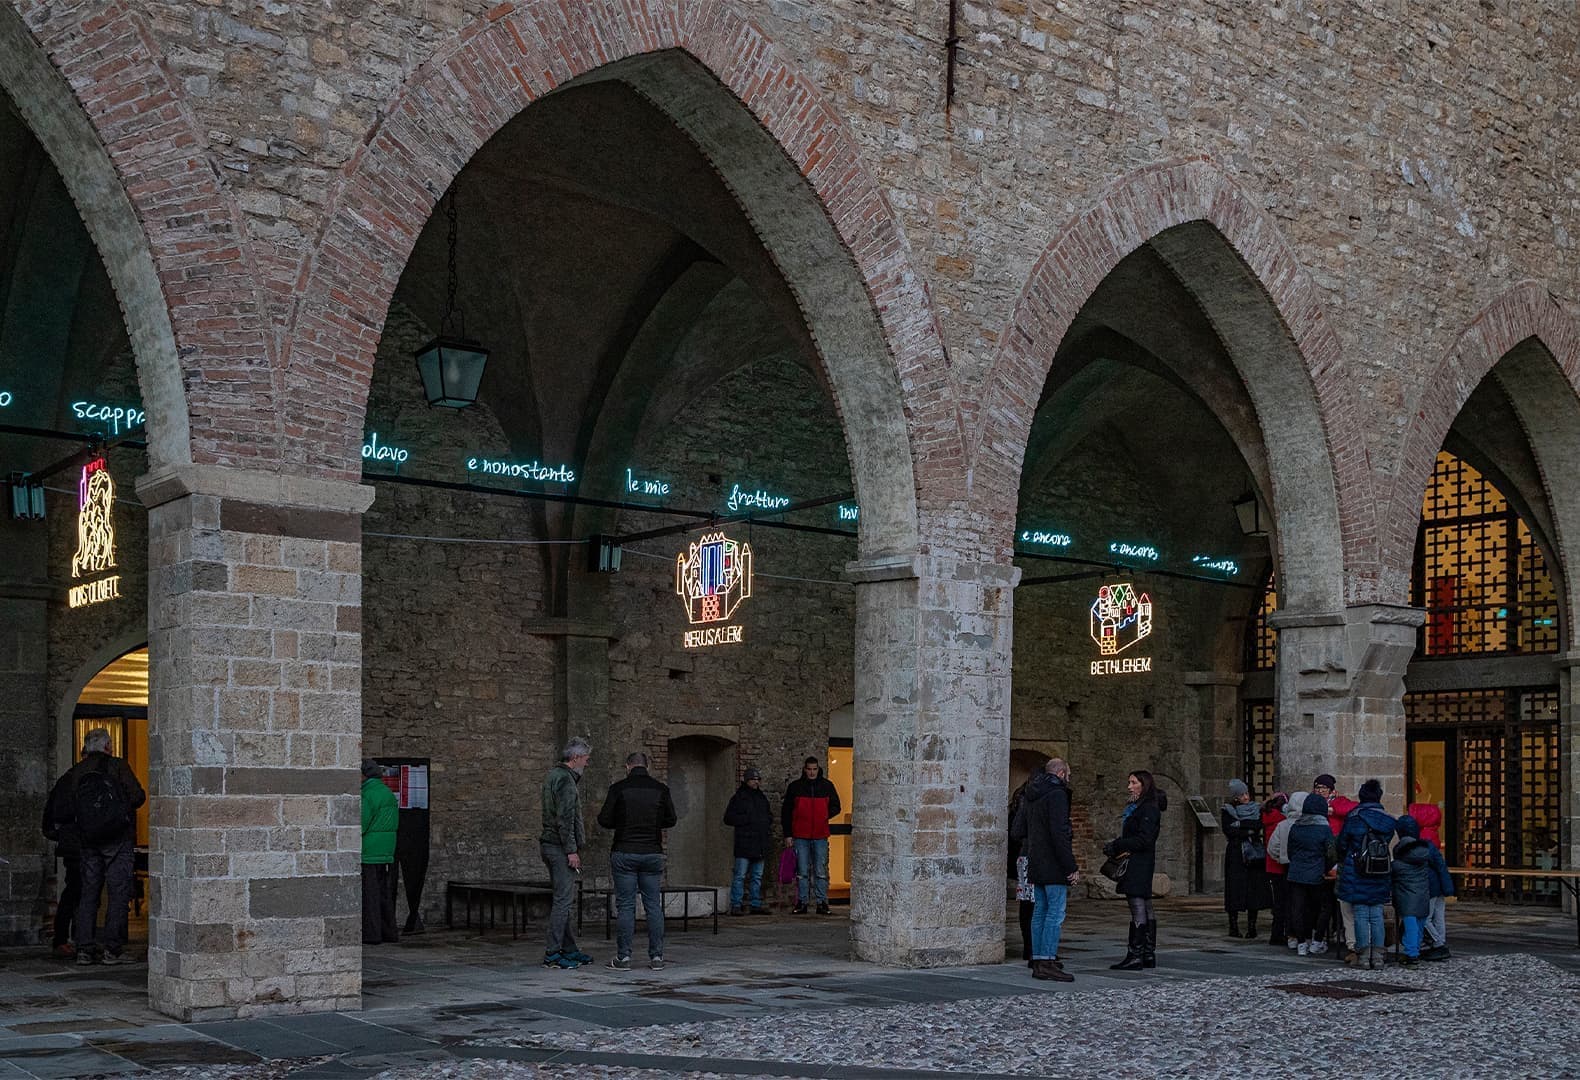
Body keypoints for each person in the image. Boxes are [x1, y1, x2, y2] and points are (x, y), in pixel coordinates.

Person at [44, 728, 144, 966]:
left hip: (88, 842)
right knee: (118, 893)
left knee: (88, 894)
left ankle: (84, 950)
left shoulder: (77, 772)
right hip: (117, 839)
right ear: (108, 746)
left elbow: (66, 810)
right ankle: (113, 949)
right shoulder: (118, 766)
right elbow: (138, 796)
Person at [597, 752, 678, 971]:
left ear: (628, 766)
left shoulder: (619, 789)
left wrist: (623, 822)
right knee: (653, 905)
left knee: (626, 905)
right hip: (652, 852)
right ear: (647, 766)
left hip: (624, 850)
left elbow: (604, 819)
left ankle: (623, 958)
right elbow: (671, 819)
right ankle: (657, 957)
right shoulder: (661, 790)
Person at [1009, 758, 1079, 982]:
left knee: (1039, 911)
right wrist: (1071, 866)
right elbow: (1060, 833)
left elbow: (1018, 829)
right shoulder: (1057, 795)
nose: (1068, 778)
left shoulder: (1030, 795)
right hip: (1053, 862)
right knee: (1055, 913)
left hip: (1034, 860)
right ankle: (1047, 960)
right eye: (1068, 774)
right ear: (1060, 773)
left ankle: (1038, 959)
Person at [1102, 769, 1165, 972]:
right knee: (1145, 905)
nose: (1129, 786)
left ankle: (1136, 954)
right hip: (1141, 861)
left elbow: (1145, 839)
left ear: (1143, 785)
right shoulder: (1140, 807)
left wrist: (1118, 844)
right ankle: (1147, 953)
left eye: (1133, 782)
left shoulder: (1148, 809)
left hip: (1139, 862)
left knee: (1138, 905)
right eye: (1129, 782)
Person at [541, 737, 593, 969]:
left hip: (550, 845)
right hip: (559, 848)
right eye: (585, 759)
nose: (587, 763)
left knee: (564, 898)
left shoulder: (554, 775)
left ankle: (569, 948)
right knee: (562, 902)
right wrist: (571, 851)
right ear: (575, 758)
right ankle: (553, 953)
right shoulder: (566, 781)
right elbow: (565, 819)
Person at [1337, 778, 1397, 970]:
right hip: (1380, 870)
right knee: (1376, 913)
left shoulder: (1354, 818)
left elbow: (1342, 844)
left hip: (1358, 870)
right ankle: (1378, 957)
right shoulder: (1388, 821)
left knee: (1362, 913)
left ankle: (1363, 956)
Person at [781, 757, 841, 915]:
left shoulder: (827, 786)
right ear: (804, 769)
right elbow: (786, 812)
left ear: (818, 769)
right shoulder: (795, 787)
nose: (812, 772)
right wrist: (788, 834)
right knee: (802, 871)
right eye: (809, 769)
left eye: (814, 769)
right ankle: (802, 902)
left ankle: (822, 902)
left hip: (820, 834)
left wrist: (823, 815)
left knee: (820, 870)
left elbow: (837, 806)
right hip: (800, 834)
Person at [40, 765, 85, 959]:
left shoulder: (68, 777)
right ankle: (69, 938)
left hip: (70, 842)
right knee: (77, 892)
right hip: (79, 842)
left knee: (75, 891)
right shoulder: (77, 779)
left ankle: (69, 938)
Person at [1285, 793, 1338, 956]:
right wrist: (1327, 868)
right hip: (1317, 873)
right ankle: (1317, 940)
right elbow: (1331, 853)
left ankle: (1301, 943)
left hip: (1296, 872)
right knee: (1324, 907)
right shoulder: (1324, 829)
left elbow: (1290, 851)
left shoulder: (1295, 827)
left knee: (1298, 908)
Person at [1317, 773, 1359, 961]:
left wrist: (1332, 809)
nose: (1320, 792)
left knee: (1338, 899)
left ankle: (1338, 929)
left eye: (1323, 789)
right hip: (1321, 853)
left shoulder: (1339, 802)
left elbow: (1352, 808)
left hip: (1336, 854)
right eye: (1317, 788)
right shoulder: (1313, 803)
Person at [1220, 779, 1268, 939]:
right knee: (1234, 889)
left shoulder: (1255, 809)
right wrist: (1246, 829)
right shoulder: (1227, 810)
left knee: (1253, 889)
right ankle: (1233, 925)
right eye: (1242, 795)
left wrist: (1241, 825)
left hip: (1253, 853)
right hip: (1236, 854)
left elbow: (1257, 825)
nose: (1246, 797)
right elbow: (1229, 830)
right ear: (1235, 797)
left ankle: (1252, 926)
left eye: (1247, 793)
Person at [1390, 813, 1439, 969]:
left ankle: (1412, 955)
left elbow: (1394, 872)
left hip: (1407, 896)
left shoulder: (1400, 862)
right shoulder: (1423, 855)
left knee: (1410, 925)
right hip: (1422, 894)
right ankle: (1414, 951)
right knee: (1418, 925)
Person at [360, 760, 400, 945]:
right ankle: (388, 932)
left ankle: (372, 934)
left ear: (364, 775)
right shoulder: (387, 792)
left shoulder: (367, 794)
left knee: (370, 896)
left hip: (369, 851)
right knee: (383, 894)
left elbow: (360, 824)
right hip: (385, 850)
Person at [722, 767, 772, 916]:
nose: (756, 782)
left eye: (757, 779)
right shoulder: (739, 797)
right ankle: (736, 904)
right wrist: (748, 820)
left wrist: (765, 822)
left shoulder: (761, 797)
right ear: (746, 780)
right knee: (740, 875)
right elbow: (728, 818)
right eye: (753, 779)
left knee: (757, 876)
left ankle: (755, 903)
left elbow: (769, 815)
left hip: (759, 842)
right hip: (745, 842)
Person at [1007, 778, 1034, 965]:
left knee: (1028, 903)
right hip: (1029, 856)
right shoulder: (1029, 801)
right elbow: (1016, 831)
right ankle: (1033, 948)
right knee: (1033, 904)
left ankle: (1030, 947)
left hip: (1023, 856)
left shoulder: (1021, 799)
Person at [1260, 793, 1289, 948]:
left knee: (1277, 902)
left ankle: (1276, 933)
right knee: (1282, 903)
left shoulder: (1268, 816)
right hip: (1280, 864)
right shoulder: (1281, 819)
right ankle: (1279, 934)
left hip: (1270, 864)